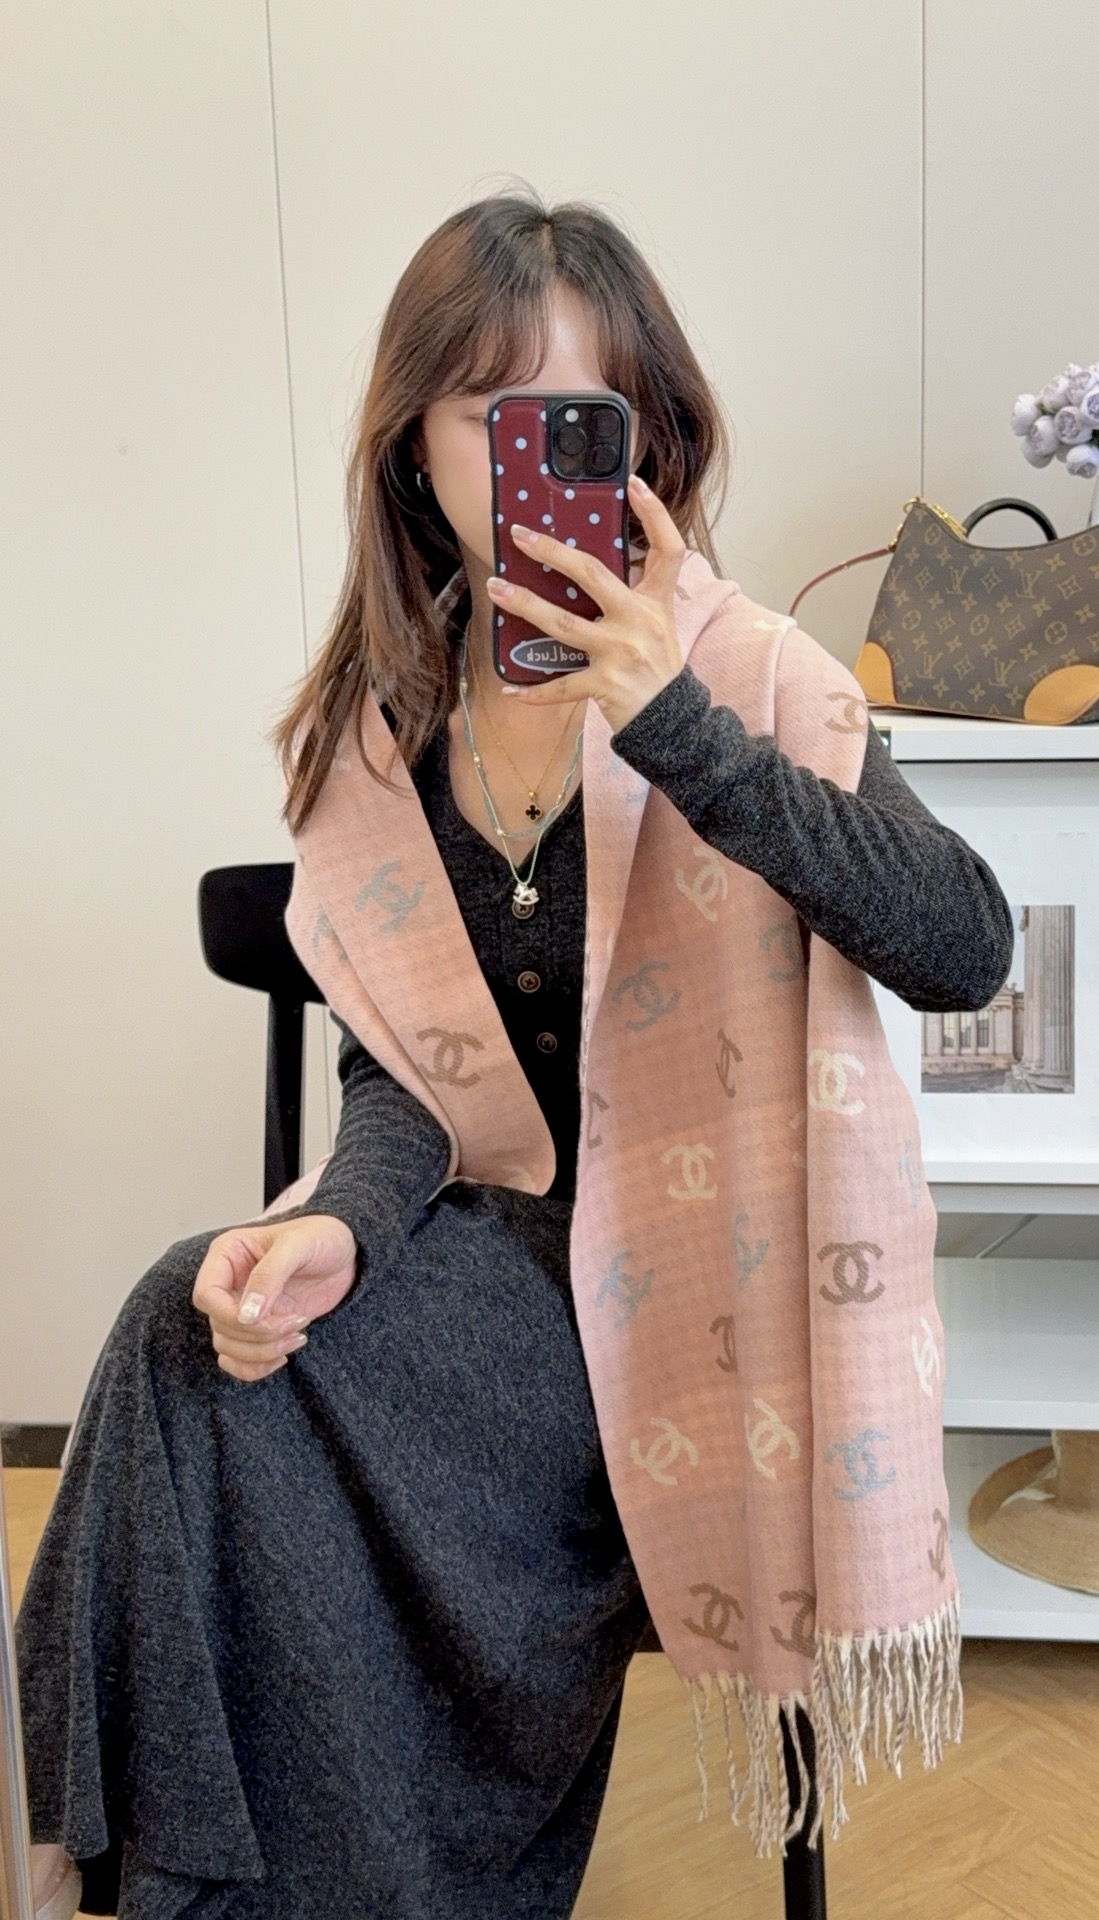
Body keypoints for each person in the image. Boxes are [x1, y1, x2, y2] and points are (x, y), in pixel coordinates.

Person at [17, 191, 1013, 1920]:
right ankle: (207, 1884)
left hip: (698, 1297)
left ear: (647, 439)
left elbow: (964, 944)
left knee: (257, 1424)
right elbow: (405, 1073)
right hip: (481, 1264)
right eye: (489, 412)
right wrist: (340, 1223)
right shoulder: (388, 724)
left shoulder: (747, 676)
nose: (530, 460)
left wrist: (678, 731)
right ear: (414, 446)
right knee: (199, 1325)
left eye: (579, 416)